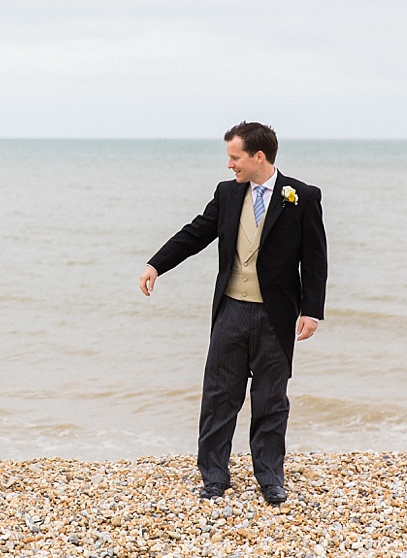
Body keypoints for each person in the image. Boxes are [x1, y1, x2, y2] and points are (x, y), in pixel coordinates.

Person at [139, 122, 326, 505]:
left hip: (276, 316)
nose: (229, 166)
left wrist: (312, 310)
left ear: (259, 156)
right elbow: (195, 233)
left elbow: (316, 258)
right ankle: (214, 475)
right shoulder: (227, 194)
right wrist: (156, 264)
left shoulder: (301, 196)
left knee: (272, 400)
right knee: (219, 396)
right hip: (231, 311)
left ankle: (271, 477)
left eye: (235, 157)